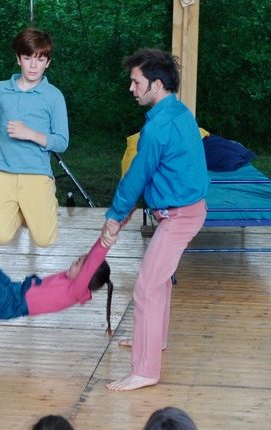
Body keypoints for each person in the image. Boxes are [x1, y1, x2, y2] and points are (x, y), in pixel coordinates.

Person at [103, 48, 208, 391]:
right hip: (183, 212)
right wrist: (123, 214)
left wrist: (114, 217)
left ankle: (146, 370)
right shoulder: (178, 112)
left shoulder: (159, 127)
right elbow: (155, 174)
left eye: (136, 82)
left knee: (147, 286)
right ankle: (154, 341)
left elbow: (136, 176)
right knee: (158, 281)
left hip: (180, 217)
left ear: (157, 84)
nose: (131, 88)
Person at [0, 27, 69, 247]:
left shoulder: (54, 96)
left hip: (37, 174)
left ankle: (42, 203)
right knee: (0, 236)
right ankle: (22, 209)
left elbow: (62, 142)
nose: (33, 65)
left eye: (40, 59)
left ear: (48, 63)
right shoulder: (0, 90)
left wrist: (30, 134)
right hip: (3, 172)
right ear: (18, 59)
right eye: (28, 58)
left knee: (44, 240)